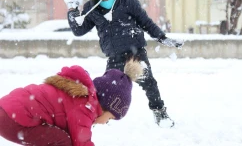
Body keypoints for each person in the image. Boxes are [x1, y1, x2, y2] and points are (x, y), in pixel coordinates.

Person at [63, 0, 183, 127]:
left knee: (150, 84)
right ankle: (98, 117)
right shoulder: (92, 8)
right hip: (114, 57)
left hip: (136, 54)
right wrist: (72, 9)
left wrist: (162, 37)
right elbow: (78, 30)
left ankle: (160, 113)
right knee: (106, 90)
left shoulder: (127, 0)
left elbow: (145, 22)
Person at [0, 59, 143, 146]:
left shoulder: (81, 98)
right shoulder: (86, 106)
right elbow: (81, 142)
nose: (106, 122)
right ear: (105, 105)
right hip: (12, 119)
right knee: (62, 141)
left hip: (7, 111)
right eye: (111, 117)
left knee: (55, 138)